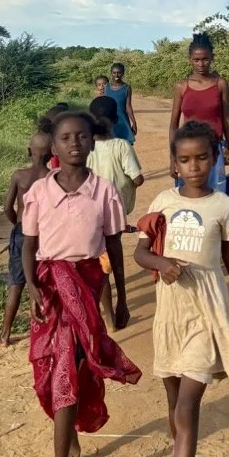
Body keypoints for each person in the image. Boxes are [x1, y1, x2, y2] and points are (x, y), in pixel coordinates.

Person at [135, 120, 229, 457]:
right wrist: (160, 264)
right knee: (172, 405)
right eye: (185, 159)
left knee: (187, 408)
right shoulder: (162, 201)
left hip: (206, 309)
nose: (194, 166)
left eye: (202, 158)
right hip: (170, 313)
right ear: (173, 163)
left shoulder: (223, 205)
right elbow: (140, 251)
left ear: (214, 158)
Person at [22, 110, 140, 457]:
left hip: (88, 285)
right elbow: (27, 243)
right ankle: (62, 456)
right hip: (52, 289)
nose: (75, 143)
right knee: (55, 368)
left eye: (82, 136)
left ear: (93, 142)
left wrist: (122, 299)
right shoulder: (39, 192)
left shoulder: (104, 191)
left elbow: (114, 247)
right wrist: (32, 288)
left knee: (78, 366)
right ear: (53, 147)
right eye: (66, 137)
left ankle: (63, 453)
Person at [88, 95, 145, 327]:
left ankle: (108, 316)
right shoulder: (121, 145)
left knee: (99, 263)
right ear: (115, 119)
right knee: (114, 258)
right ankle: (122, 301)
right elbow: (138, 179)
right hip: (114, 213)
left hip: (89, 214)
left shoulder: (85, 148)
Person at [0, 129, 53, 346]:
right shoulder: (52, 177)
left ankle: (5, 335)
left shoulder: (20, 176)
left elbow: (7, 206)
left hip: (21, 233)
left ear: (29, 151)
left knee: (16, 283)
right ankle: (48, 329)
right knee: (44, 280)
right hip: (46, 234)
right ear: (52, 154)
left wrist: (18, 224)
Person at [168, 33, 229, 194]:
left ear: (212, 58)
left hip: (214, 152)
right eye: (196, 60)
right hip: (187, 151)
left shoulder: (220, 84)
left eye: (205, 59)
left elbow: (227, 120)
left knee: (217, 197)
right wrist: (173, 158)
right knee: (188, 200)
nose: (201, 64)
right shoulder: (181, 87)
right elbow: (173, 126)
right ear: (190, 59)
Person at [105, 62, 139, 143]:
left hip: (123, 121)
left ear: (123, 73)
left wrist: (134, 122)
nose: (116, 75)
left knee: (125, 145)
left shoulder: (126, 88)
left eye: (119, 72)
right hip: (110, 121)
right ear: (111, 73)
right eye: (114, 73)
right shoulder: (107, 87)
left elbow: (128, 106)